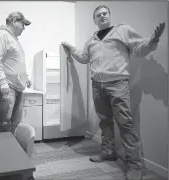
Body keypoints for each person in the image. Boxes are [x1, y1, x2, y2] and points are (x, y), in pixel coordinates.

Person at [61, 5, 165, 180]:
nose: (102, 16)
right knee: (105, 121)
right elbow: (84, 58)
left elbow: (139, 49)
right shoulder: (92, 40)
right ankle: (108, 152)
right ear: (94, 20)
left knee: (125, 124)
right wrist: (71, 49)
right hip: (97, 85)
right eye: (98, 15)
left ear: (109, 16)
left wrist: (153, 40)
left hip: (117, 83)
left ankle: (134, 164)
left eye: (105, 13)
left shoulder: (122, 30)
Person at [0, 11, 32, 134]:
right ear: (14, 21)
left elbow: (14, 62)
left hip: (15, 86)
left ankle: (11, 151)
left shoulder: (13, 39)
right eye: (23, 24)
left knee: (14, 124)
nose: (24, 28)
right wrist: (2, 82)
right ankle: (2, 152)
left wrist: (25, 76)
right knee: (4, 124)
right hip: (7, 87)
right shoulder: (1, 36)